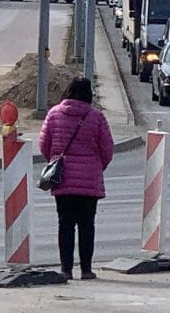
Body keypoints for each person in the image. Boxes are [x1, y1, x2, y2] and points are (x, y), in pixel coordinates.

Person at [39, 77, 114, 280]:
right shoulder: (97, 117)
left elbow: (44, 144)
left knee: (65, 224)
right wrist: (97, 167)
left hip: (62, 179)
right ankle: (87, 270)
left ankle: (66, 269)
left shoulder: (54, 114)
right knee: (87, 224)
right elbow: (107, 149)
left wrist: (56, 161)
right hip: (89, 179)